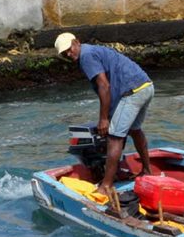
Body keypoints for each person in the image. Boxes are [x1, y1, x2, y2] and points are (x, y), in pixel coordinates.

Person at [55, 33, 153, 195]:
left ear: (77, 42)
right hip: (145, 86)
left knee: (114, 137)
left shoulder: (86, 56)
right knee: (135, 130)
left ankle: (106, 186)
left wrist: (104, 119)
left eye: (69, 49)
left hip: (133, 91)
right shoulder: (92, 51)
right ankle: (147, 170)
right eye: (64, 53)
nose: (69, 54)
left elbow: (104, 86)